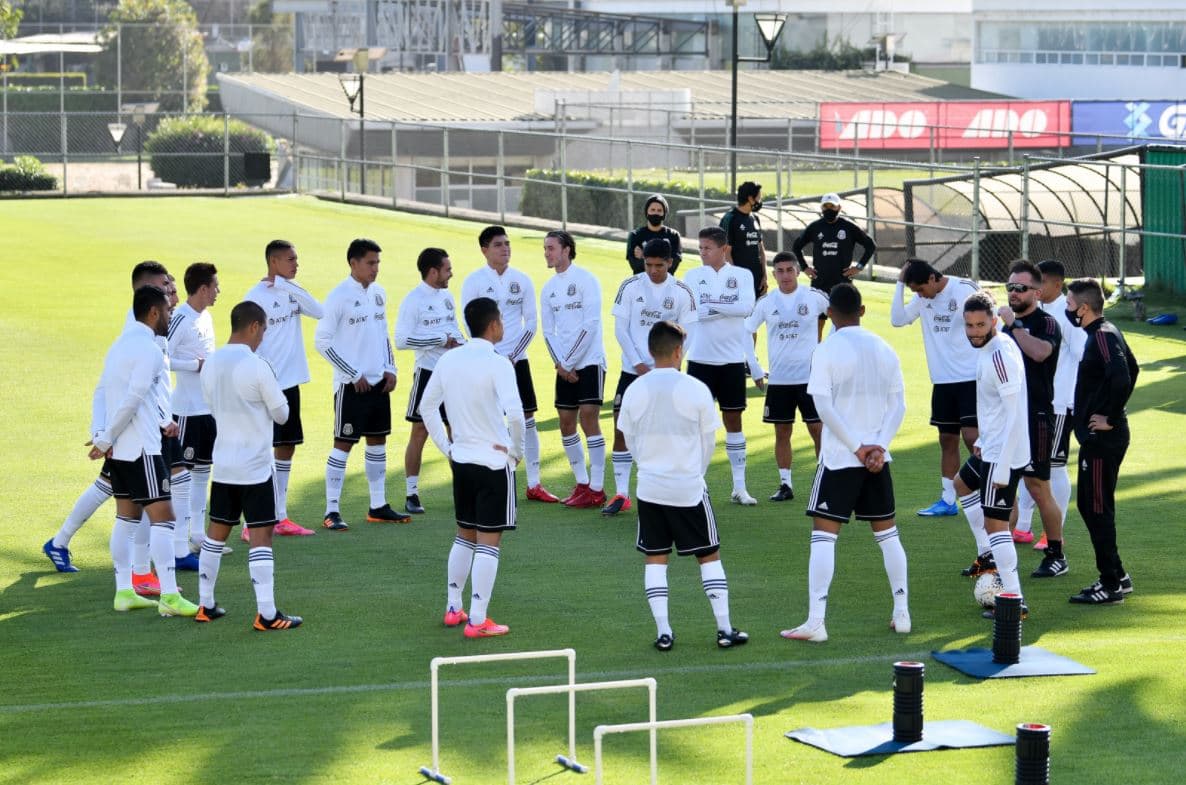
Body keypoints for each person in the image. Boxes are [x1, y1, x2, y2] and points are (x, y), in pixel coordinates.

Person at [781, 283, 909, 642]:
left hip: (840, 459)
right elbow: (899, 406)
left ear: (829, 314)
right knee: (888, 536)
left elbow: (822, 404)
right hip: (877, 461)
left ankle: (816, 622)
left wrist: (856, 448)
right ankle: (902, 613)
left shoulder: (826, 349)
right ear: (862, 311)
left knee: (824, 538)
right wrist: (878, 448)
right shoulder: (885, 348)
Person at [617, 320, 748, 651]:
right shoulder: (696, 388)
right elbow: (708, 441)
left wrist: (648, 465)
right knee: (709, 555)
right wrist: (694, 471)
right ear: (678, 351)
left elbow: (628, 440)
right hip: (687, 486)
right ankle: (724, 629)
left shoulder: (635, 389)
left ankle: (664, 632)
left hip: (650, 487)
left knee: (655, 558)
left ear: (650, 350)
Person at [46, 262, 175, 584]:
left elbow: (140, 387)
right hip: (136, 433)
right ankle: (143, 575)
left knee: (122, 500)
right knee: (149, 506)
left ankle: (125, 576)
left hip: (134, 431)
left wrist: (104, 431)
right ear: (146, 291)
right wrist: (104, 434)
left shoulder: (143, 331)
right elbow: (129, 391)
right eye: (164, 285)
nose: (170, 289)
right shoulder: (140, 334)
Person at [419, 297, 525, 638]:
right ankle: (478, 620)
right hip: (493, 462)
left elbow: (426, 407)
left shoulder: (449, 359)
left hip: (461, 460)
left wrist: (447, 447)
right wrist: (516, 452)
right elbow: (516, 415)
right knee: (489, 542)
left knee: (464, 534)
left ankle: (454, 608)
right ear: (494, 325)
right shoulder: (499, 363)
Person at [90, 285, 199, 617]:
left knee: (126, 518)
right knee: (164, 518)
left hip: (121, 451)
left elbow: (107, 392)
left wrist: (103, 435)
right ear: (153, 312)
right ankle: (169, 596)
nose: (170, 316)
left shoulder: (119, 345)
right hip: (143, 448)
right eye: (167, 311)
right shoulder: (150, 350)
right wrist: (105, 438)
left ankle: (124, 592)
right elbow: (134, 399)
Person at [197, 301, 302, 630]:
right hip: (255, 466)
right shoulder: (257, 365)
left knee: (216, 534)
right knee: (261, 535)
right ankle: (267, 614)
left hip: (223, 464)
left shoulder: (211, 363)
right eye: (264, 330)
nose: (263, 337)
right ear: (254, 326)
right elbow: (282, 414)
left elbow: (211, 406)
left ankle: (205, 604)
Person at [314, 238, 409, 530]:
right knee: (343, 444)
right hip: (351, 386)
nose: (375, 268)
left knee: (378, 441)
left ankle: (378, 505)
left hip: (379, 383)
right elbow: (322, 341)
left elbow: (383, 334)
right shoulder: (338, 296)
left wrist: (390, 368)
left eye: (377, 262)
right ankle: (331, 510)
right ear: (353, 263)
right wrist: (353, 374)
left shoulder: (379, 293)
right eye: (370, 263)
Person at [460, 226, 558, 503]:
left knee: (527, 418)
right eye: (498, 245)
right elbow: (468, 322)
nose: (505, 249)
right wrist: (492, 354)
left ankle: (534, 483)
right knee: (488, 420)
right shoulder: (474, 281)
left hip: (517, 361)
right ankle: (490, 481)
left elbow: (532, 322)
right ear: (484, 250)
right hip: (486, 362)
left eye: (507, 243)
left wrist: (513, 355)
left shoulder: (521, 280)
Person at [605, 238, 699, 516]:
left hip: (667, 373)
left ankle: (671, 489)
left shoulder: (682, 291)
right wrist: (638, 363)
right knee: (621, 427)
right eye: (648, 265)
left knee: (667, 430)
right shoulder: (630, 286)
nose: (653, 271)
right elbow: (621, 329)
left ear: (670, 263)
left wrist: (668, 365)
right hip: (632, 370)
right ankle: (621, 493)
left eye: (659, 265)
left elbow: (689, 333)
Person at [952, 291, 1029, 617]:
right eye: (969, 325)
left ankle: (1014, 599)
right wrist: (984, 438)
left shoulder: (999, 356)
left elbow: (1015, 414)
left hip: (1003, 454)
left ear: (994, 321)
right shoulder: (989, 347)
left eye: (980, 325)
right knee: (961, 484)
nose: (974, 332)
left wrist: (1003, 466)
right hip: (992, 446)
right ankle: (987, 554)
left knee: (996, 524)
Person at [889, 259, 981, 522]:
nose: (920, 295)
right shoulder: (922, 299)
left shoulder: (964, 289)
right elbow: (897, 319)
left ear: (932, 278)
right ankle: (948, 500)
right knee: (947, 439)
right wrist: (899, 283)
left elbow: (989, 321)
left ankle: (989, 492)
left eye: (920, 289)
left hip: (971, 377)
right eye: (914, 291)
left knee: (973, 438)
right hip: (942, 381)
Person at [242, 240, 323, 538]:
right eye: (291, 259)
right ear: (273, 262)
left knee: (286, 446)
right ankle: (251, 522)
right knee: (261, 450)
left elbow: (319, 311)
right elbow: (246, 341)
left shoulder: (292, 291)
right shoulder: (255, 297)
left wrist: (287, 285)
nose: (296, 264)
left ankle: (280, 515)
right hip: (265, 384)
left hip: (290, 383)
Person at [1066, 278, 1138, 605]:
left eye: (1070, 305)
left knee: (1096, 508)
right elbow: (1134, 368)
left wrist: (1109, 416)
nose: (1068, 310)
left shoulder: (1103, 336)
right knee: (1091, 505)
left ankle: (1110, 584)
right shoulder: (1107, 331)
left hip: (1102, 439)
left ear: (1083, 308)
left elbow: (1123, 375)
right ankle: (1118, 575)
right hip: (1100, 437)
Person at [997, 260, 1067, 579]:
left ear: (1037, 293)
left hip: (1036, 417)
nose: (1013, 293)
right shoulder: (1005, 327)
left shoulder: (1047, 323)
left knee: (1038, 486)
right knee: (1000, 485)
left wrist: (1013, 326)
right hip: (1006, 418)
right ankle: (994, 555)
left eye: (1020, 288)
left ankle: (1056, 554)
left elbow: (1040, 353)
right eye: (1010, 287)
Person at [684, 227, 761, 505]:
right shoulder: (691, 276)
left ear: (723, 249)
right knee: (698, 425)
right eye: (700, 248)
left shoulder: (742, 275)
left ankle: (740, 488)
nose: (702, 252)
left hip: (732, 361)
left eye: (707, 248)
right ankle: (696, 484)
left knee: (733, 421)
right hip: (699, 360)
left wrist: (712, 307)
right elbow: (694, 312)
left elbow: (747, 308)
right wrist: (726, 307)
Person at [1012, 259, 1086, 550]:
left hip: (1057, 403)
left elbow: (1082, 353)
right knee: (1027, 465)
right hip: (1031, 402)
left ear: (1056, 284)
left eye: (1039, 282)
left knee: (1053, 468)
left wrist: (1072, 397)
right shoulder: (1036, 312)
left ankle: (1054, 532)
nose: (1035, 288)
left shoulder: (1066, 315)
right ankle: (1023, 527)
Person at [744, 252, 829, 502]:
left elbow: (839, 316)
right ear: (773, 274)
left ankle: (824, 481)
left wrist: (829, 354)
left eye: (789, 270)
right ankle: (785, 484)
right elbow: (745, 331)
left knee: (818, 429)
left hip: (810, 379)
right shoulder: (766, 302)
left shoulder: (814, 297)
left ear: (798, 272)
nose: (785, 275)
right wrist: (754, 366)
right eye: (779, 271)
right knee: (782, 432)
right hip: (780, 380)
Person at [394, 247, 466, 515]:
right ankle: (411, 493)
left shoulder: (447, 296)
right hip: (427, 374)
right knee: (420, 431)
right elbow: (402, 340)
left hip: (452, 373)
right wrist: (439, 340)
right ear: (433, 272)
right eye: (447, 269)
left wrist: (464, 345)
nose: (451, 273)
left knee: (456, 430)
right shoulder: (413, 301)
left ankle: (462, 489)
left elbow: (454, 327)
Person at [539, 230, 608, 509]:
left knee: (588, 419)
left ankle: (597, 488)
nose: (547, 253)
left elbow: (590, 324)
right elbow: (548, 331)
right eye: (545, 249)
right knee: (566, 423)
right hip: (564, 367)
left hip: (590, 361)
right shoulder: (548, 288)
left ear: (567, 249)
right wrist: (561, 364)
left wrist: (568, 363)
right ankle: (582, 483)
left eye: (551, 248)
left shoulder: (586, 280)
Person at [168, 261, 220, 569]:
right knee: (182, 478)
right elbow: (162, 357)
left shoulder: (206, 317)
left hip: (208, 409)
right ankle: (178, 542)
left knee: (203, 473)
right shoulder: (180, 318)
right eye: (215, 286)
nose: (218, 291)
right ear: (202, 288)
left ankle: (198, 535)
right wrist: (194, 366)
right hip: (186, 410)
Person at [791, 193, 877, 299]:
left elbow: (870, 246)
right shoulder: (815, 227)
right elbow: (796, 247)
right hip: (819, 282)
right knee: (819, 310)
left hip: (842, 283)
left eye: (832, 206)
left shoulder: (849, 227)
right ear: (821, 208)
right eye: (825, 206)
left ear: (839, 207)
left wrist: (859, 267)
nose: (829, 209)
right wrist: (804, 267)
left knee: (842, 309)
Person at [718, 181, 768, 298]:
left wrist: (764, 276)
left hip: (757, 281)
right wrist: (736, 278)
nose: (760, 201)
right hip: (738, 283)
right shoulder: (730, 219)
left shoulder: (755, 218)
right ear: (750, 198)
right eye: (759, 198)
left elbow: (761, 250)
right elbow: (725, 252)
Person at [626, 194, 683, 275]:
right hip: (642, 281)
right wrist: (663, 260)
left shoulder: (673, 235)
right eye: (652, 210)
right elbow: (635, 265)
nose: (656, 213)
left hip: (665, 282)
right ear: (647, 212)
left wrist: (644, 256)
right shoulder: (635, 235)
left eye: (659, 210)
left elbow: (673, 266)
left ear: (664, 213)